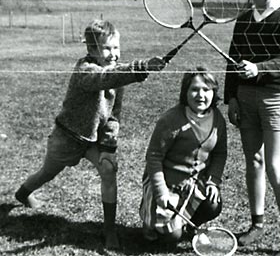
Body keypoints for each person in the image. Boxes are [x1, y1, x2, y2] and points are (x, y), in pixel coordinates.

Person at [14, 19, 166, 250]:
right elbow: (104, 78)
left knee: (109, 170)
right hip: (66, 138)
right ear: (91, 50)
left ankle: (109, 230)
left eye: (116, 47)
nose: (113, 53)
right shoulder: (85, 70)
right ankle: (23, 193)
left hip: (93, 141)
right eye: (106, 48)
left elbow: (114, 115)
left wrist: (109, 147)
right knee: (46, 174)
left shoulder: (117, 76)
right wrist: (142, 66)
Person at [224, 0, 280, 255]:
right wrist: (231, 96)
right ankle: (257, 225)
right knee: (253, 162)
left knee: (274, 165)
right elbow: (232, 60)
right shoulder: (243, 19)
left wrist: (258, 68)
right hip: (245, 97)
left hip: (277, 99)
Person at [140, 67, 227, 243]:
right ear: (185, 92)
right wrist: (161, 192)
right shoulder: (171, 119)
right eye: (194, 89)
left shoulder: (218, 120)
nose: (200, 95)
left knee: (213, 204)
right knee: (171, 238)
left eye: (206, 89)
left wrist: (213, 182)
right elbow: (154, 157)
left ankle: (186, 224)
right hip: (168, 184)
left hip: (193, 184)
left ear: (214, 92)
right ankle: (152, 224)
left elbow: (220, 153)